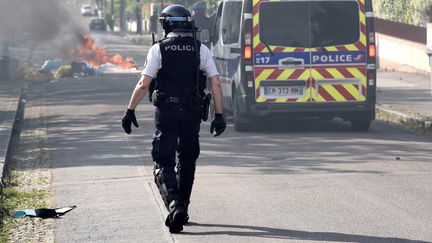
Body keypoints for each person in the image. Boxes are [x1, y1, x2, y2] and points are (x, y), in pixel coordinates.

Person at [121, 4, 226, 233]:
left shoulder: (159, 49)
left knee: (163, 162)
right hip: (191, 114)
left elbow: (144, 84)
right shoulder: (201, 49)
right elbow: (215, 83)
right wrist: (219, 116)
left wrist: (130, 111)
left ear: (166, 24)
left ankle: (174, 204)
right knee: (187, 161)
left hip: (167, 113)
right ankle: (183, 208)